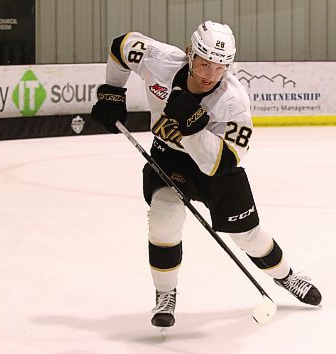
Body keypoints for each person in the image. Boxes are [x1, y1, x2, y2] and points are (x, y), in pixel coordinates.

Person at [91, 20, 321, 328]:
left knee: (249, 237)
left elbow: (227, 160)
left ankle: (287, 277)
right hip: (169, 159)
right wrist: (112, 91)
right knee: (164, 219)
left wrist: (194, 127)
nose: (209, 75)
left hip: (217, 169)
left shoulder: (234, 103)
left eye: (219, 67)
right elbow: (121, 46)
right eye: (203, 64)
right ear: (189, 54)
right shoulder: (160, 61)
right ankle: (165, 294)